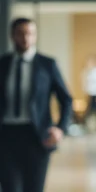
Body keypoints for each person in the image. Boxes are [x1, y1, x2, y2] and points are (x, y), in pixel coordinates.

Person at [0, 18, 73, 192]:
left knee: (34, 188)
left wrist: (60, 128)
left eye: (30, 33)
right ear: (12, 36)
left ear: (35, 36)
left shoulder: (47, 65)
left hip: (37, 137)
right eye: (21, 33)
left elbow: (66, 99)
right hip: (6, 136)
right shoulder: (3, 64)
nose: (25, 38)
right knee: (10, 188)